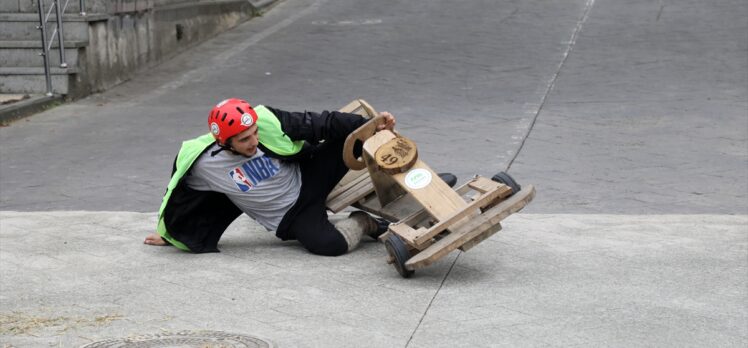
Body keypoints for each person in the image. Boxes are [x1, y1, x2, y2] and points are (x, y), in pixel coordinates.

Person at [144, 98, 455, 256]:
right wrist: (172, 234)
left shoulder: (265, 119)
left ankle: (422, 186)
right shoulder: (201, 163)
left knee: (360, 137)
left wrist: (370, 123)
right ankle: (366, 222)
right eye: (244, 140)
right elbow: (176, 195)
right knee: (329, 246)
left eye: (254, 133)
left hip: (308, 175)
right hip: (290, 216)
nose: (253, 142)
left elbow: (318, 123)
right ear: (224, 142)